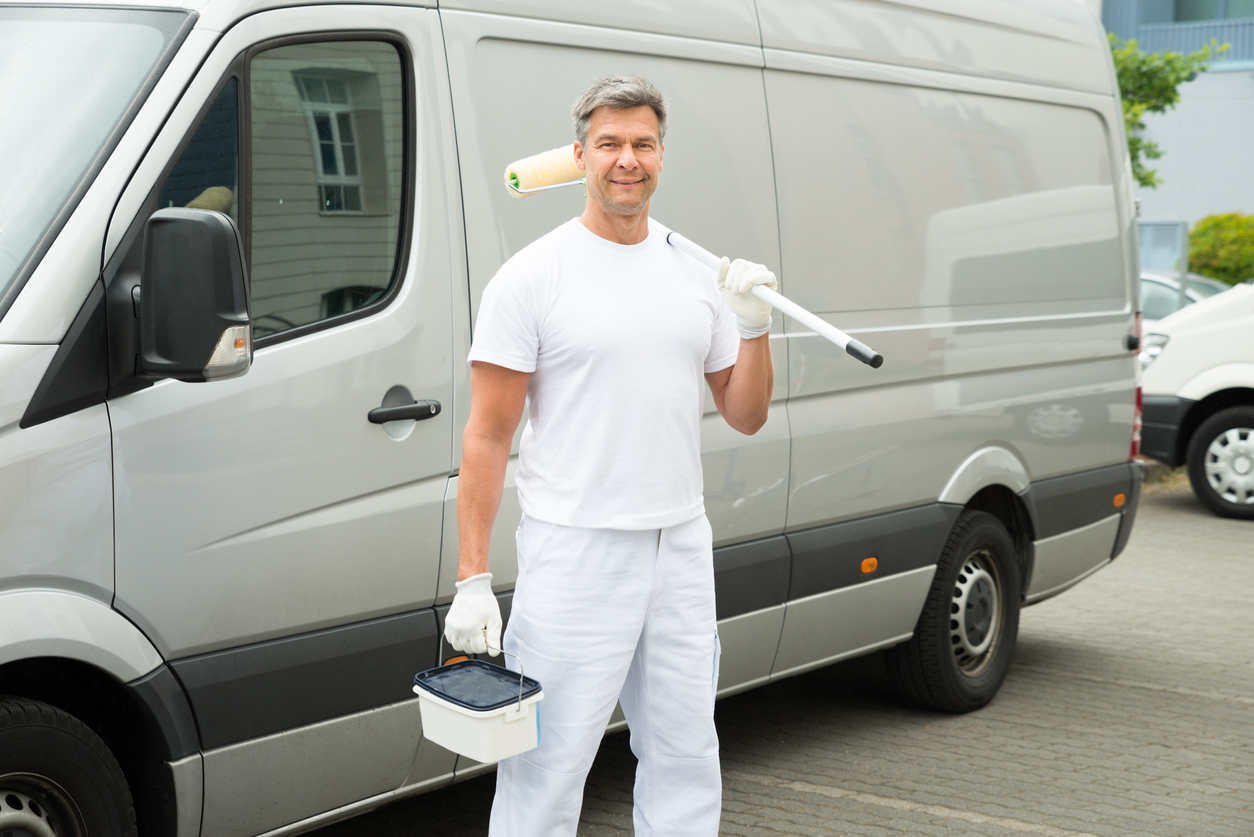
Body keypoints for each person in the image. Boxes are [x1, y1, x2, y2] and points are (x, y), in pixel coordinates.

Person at [443, 75, 777, 837]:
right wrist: (471, 578)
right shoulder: (532, 278)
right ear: (580, 155)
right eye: (610, 144)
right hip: (576, 550)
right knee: (548, 767)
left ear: (662, 154)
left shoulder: (696, 272)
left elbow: (746, 413)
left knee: (686, 754)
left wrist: (752, 325)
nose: (628, 159)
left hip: (679, 546)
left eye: (643, 144)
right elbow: (488, 436)